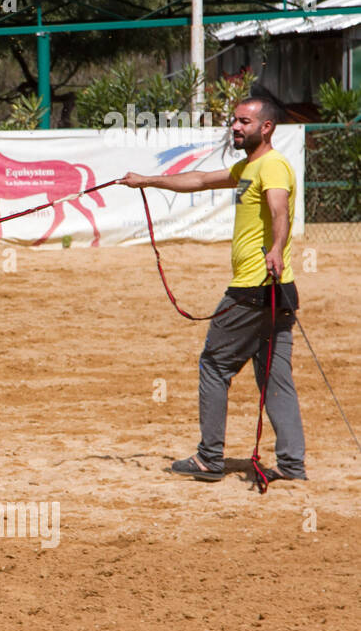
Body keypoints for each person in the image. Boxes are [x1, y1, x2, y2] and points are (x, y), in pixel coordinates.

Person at [122, 92, 306, 483]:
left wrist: (275, 247)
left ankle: (209, 458)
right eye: (235, 121)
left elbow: (279, 209)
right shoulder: (248, 169)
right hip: (277, 290)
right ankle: (291, 465)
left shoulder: (271, 167)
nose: (235, 127)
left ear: (266, 127)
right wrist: (147, 181)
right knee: (274, 375)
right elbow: (201, 179)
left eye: (244, 122)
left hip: (251, 289)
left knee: (215, 364)